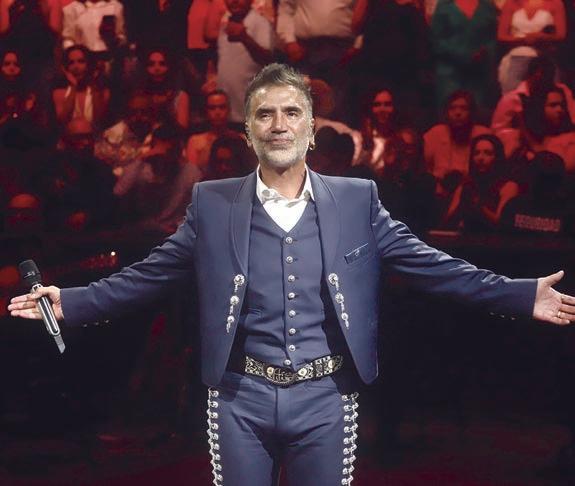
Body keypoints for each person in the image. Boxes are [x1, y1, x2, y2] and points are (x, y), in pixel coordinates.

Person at [8, 63, 575, 486]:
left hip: (327, 397)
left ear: (311, 129)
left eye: (291, 112)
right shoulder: (212, 204)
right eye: (265, 114)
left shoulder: (357, 200)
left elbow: (433, 266)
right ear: (247, 133)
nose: (278, 124)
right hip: (239, 396)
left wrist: (520, 294)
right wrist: (69, 302)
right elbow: (146, 276)